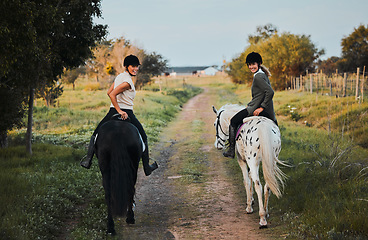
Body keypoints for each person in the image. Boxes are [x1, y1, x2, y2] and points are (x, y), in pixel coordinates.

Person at [80, 54, 158, 175]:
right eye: (133, 66)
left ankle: (88, 160)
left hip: (112, 111)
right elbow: (112, 95)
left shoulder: (119, 77)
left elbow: (108, 92)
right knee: (143, 136)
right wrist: (120, 111)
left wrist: (116, 109)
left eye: (137, 66)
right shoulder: (127, 82)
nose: (136, 69)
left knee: (96, 133)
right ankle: (147, 167)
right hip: (126, 112)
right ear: (127, 66)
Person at [223, 52, 278, 158]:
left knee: (233, 121)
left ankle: (231, 150)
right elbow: (260, 95)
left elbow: (270, 92)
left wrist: (261, 107)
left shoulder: (258, 77)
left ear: (259, 63)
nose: (251, 66)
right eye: (249, 64)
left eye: (253, 64)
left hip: (257, 109)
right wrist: (251, 104)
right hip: (265, 110)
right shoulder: (262, 74)